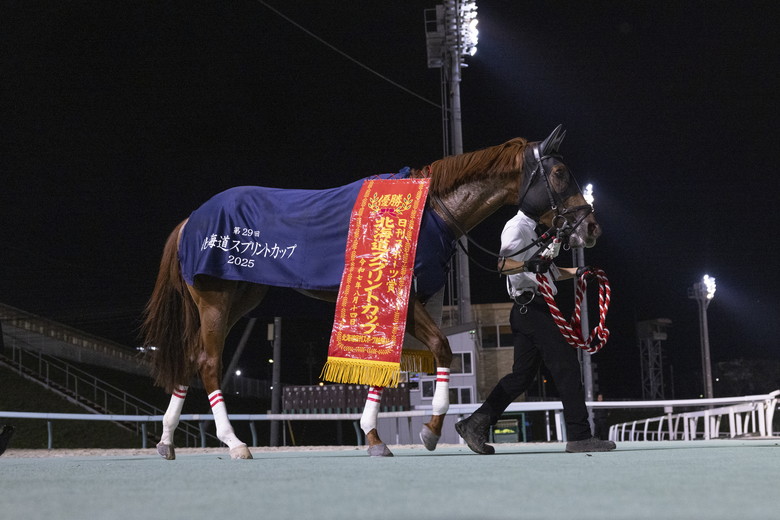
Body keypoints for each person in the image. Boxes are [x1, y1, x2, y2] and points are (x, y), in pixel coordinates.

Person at [455, 209, 616, 454]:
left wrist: (578, 272)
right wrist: (528, 263)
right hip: (533, 309)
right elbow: (503, 265)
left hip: (528, 310)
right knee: (567, 367)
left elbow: (545, 272)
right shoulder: (517, 227)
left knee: (521, 377)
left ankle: (475, 422)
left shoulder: (531, 231)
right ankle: (580, 436)